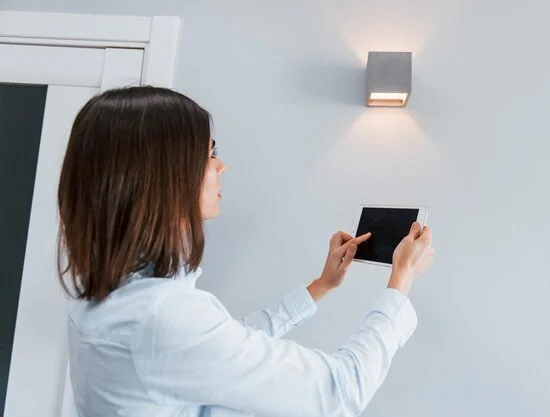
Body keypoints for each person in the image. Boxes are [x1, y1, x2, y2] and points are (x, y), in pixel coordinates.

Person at [57, 86, 434, 417]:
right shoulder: (161, 317)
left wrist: (321, 285)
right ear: (162, 175)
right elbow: (339, 389)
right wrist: (399, 284)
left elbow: (226, 341)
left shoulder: (112, 297)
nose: (221, 165)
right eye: (208, 155)